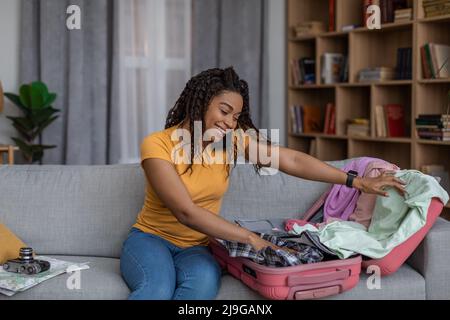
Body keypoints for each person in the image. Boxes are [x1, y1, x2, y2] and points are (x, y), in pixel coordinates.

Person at [119, 67, 407, 300]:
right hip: (150, 240)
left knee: (201, 290)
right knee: (157, 290)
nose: (231, 123)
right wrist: (250, 238)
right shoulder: (158, 144)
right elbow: (186, 212)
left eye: (236, 116)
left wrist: (355, 181)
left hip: (196, 246)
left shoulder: (231, 143)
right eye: (224, 111)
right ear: (201, 101)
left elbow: (291, 161)